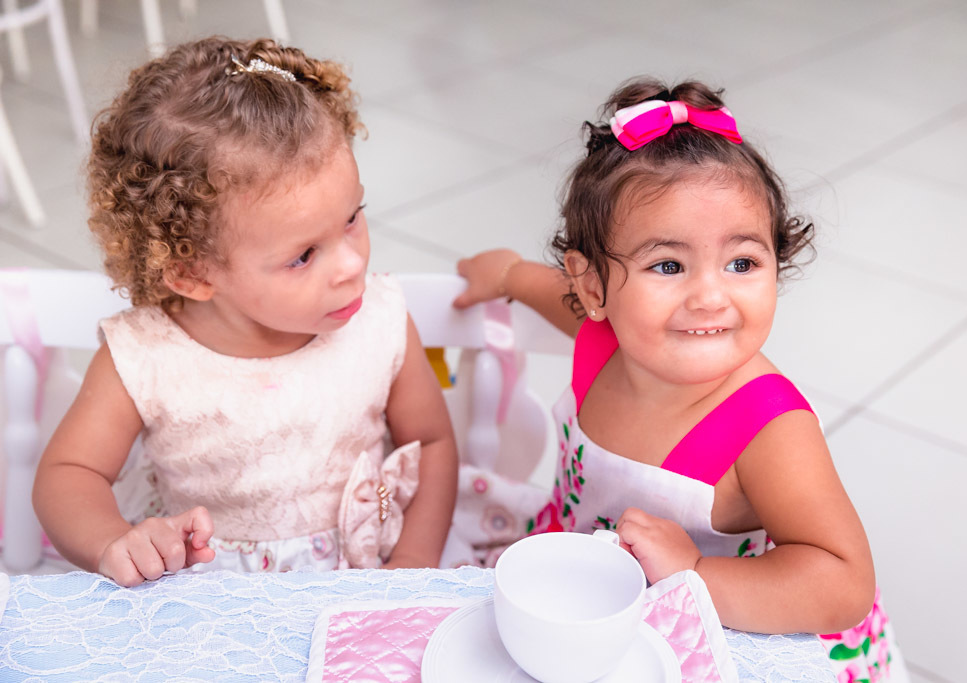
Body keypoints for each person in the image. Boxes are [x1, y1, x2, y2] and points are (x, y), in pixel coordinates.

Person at [454, 78, 907, 681]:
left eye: (742, 262)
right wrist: (507, 273)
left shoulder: (768, 428)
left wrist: (696, 571)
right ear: (594, 289)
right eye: (668, 265)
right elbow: (544, 289)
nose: (710, 297)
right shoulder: (602, 339)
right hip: (588, 597)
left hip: (722, 625)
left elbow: (843, 580)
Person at [32, 37, 458, 587]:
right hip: (206, 604)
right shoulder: (145, 357)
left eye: (353, 217)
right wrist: (115, 541)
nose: (352, 265)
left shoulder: (380, 321)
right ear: (192, 273)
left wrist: (410, 566)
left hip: (358, 588)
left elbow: (435, 444)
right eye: (303, 255)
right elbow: (69, 474)